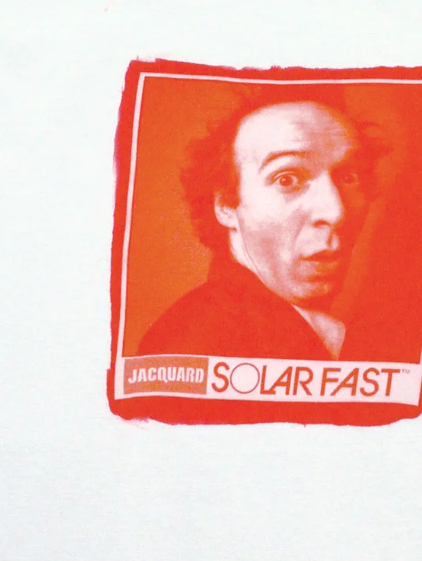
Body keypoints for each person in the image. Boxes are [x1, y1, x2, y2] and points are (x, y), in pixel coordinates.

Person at [136, 88, 384, 360]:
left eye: (349, 177)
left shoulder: (339, 332)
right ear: (226, 205)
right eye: (287, 179)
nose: (336, 212)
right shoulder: (191, 339)